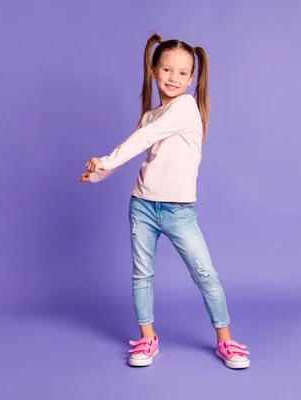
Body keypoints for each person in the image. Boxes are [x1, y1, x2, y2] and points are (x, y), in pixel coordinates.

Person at [79, 33, 250, 369]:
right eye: (167, 70)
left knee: (205, 275)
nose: (174, 78)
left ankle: (225, 341)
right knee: (142, 275)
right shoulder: (150, 115)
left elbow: (141, 139)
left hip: (178, 212)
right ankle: (147, 339)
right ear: (154, 71)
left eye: (183, 73)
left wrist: (106, 158)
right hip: (142, 206)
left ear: (192, 79)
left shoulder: (186, 108)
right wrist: (100, 172)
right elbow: (137, 143)